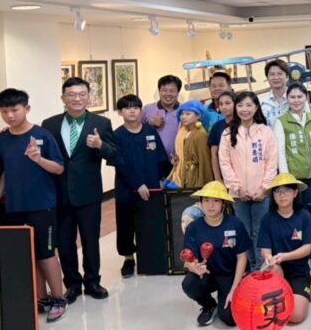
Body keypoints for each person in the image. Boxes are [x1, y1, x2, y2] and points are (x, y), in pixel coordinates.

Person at [42, 77, 117, 304]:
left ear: (88, 97)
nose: (77, 98)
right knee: (65, 243)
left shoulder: (101, 123)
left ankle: (93, 281)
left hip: (88, 193)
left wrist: (100, 145)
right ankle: (73, 284)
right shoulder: (50, 124)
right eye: (71, 94)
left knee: (90, 240)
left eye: (82, 94)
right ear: (63, 98)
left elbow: (115, 154)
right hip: (60, 193)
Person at [0, 88, 66, 322]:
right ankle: (41, 297)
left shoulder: (42, 135)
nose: (9, 115)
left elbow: (59, 168)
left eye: (14, 110)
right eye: (4, 111)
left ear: (26, 109)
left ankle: (59, 298)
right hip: (14, 206)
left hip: (42, 204)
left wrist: (38, 159)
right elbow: (4, 174)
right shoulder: (1, 140)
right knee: (26, 253)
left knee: (45, 253)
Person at [108, 94, 170, 278]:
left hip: (151, 188)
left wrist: (163, 178)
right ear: (120, 112)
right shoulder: (116, 136)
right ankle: (128, 259)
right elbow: (120, 164)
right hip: (127, 189)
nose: (132, 111)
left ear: (141, 111)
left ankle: (151, 258)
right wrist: (137, 184)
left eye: (135, 107)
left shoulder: (150, 132)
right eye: (127, 108)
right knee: (126, 226)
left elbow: (161, 158)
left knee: (150, 223)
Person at [219, 91, 278, 271]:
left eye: (249, 105)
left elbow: (271, 162)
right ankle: (252, 268)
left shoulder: (266, 132)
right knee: (244, 232)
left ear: (256, 107)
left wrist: (264, 188)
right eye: (240, 105)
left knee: (260, 232)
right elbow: (224, 163)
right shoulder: (227, 133)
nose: (244, 109)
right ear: (235, 108)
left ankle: (261, 269)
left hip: (261, 194)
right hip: (239, 194)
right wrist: (237, 188)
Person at [181, 181, 249, 327]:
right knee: (189, 284)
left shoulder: (235, 224)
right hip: (207, 275)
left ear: (223, 203)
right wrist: (195, 268)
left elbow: (242, 257)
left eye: (216, 201)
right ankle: (209, 305)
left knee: (230, 319)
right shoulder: (193, 228)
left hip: (230, 275)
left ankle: (228, 297)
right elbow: (188, 260)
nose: (210, 205)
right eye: (206, 200)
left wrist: (234, 289)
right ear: (200, 203)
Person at [259, 173, 311, 324]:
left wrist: (285, 256)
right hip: (277, 269)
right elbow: (265, 250)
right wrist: (269, 258)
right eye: (277, 191)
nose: (282, 195)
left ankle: (290, 297)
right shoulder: (267, 219)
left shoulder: (304, 216)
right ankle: (279, 296)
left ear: (295, 193)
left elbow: (307, 248)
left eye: (286, 190)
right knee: (271, 268)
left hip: (299, 273)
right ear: (273, 195)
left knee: (296, 316)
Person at [275, 82, 311, 205]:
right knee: (294, 210)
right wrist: (285, 178)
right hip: (293, 178)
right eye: (292, 97)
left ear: (306, 98)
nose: (296, 100)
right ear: (287, 99)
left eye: (300, 97)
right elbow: (280, 151)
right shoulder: (281, 121)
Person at [171, 100, 213, 189]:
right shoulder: (184, 133)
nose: (183, 117)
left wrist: (203, 186)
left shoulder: (200, 134)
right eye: (182, 114)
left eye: (188, 114)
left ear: (198, 116)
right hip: (185, 176)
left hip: (195, 178)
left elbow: (204, 162)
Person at [141, 74, 182, 158]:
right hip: (151, 159)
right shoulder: (147, 109)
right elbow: (134, 130)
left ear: (178, 93)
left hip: (176, 161)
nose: (168, 94)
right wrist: (150, 124)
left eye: (172, 91)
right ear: (159, 91)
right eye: (164, 90)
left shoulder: (184, 111)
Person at [208, 91, 235, 183]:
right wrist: (218, 178)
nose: (224, 107)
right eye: (221, 104)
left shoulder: (243, 124)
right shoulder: (216, 127)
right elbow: (214, 154)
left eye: (227, 103)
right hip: (224, 174)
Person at [260, 59, 291, 129]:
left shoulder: (298, 98)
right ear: (267, 78)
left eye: (280, 73)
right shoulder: (263, 103)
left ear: (287, 77)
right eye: (272, 74)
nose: (276, 77)